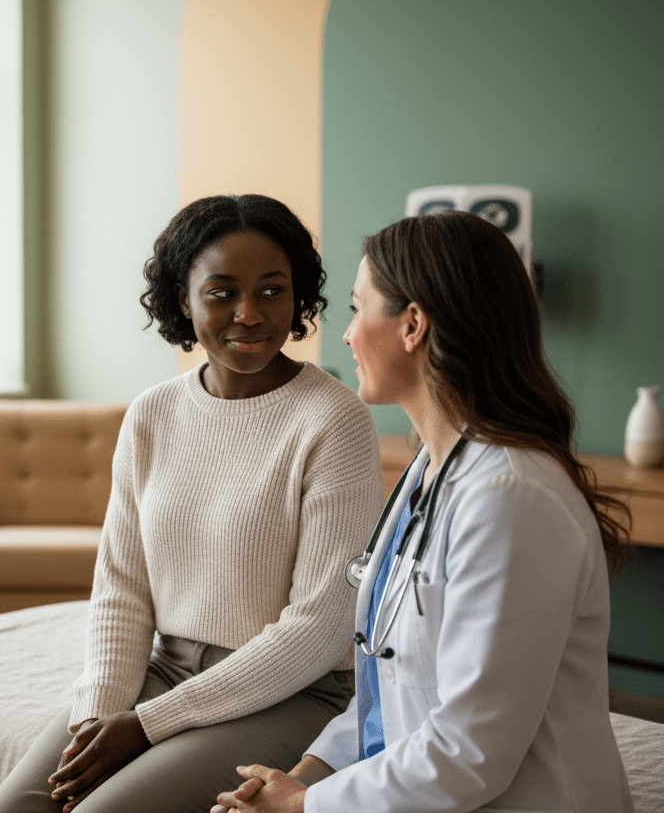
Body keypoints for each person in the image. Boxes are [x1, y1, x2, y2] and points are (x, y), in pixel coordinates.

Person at [212, 210, 634, 813]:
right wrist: (306, 775)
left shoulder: (508, 499)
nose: (347, 335)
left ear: (412, 325)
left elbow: (469, 750)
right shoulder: (429, 472)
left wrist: (305, 806)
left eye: (358, 309)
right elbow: (391, 682)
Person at [0, 194, 383, 813]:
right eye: (222, 292)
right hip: (166, 671)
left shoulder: (334, 420)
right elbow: (121, 588)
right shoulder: (152, 414)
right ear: (182, 298)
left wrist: (145, 726)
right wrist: (100, 717)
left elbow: (320, 627)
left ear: (298, 296)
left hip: (293, 692)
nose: (249, 314)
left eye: (272, 291)